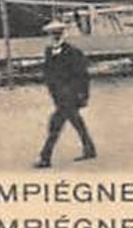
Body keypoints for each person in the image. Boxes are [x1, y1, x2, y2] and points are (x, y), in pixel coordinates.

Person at [34, 21, 96, 168]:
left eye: (57, 33)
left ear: (62, 34)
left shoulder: (73, 52)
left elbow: (83, 76)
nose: (54, 37)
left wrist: (83, 96)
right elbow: (48, 73)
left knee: (55, 125)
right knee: (76, 122)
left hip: (70, 96)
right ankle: (89, 149)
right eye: (52, 34)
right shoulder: (49, 52)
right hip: (58, 96)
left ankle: (45, 157)